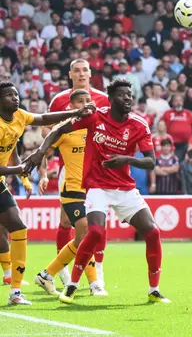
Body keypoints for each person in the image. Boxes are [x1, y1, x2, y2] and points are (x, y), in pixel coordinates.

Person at [26, 80, 170, 304]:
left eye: (130, 95)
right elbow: (58, 129)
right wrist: (40, 152)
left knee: (152, 232)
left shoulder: (139, 125)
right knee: (93, 232)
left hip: (124, 188)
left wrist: (126, 159)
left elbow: (151, 162)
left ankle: (154, 290)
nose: (128, 99)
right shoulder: (95, 117)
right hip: (96, 187)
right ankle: (72, 286)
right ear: (111, 99)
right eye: (123, 95)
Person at [0, 80, 95, 305]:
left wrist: (76, 112)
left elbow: (44, 119)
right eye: (9, 96)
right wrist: (20, 170)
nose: (15, 98)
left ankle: (15, 292)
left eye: (16, 94)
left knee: (18, 227)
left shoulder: (20, 116)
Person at [34, 90, 108, 297]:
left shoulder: (96, 126)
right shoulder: (64, 129)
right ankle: (95, 284)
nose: (86, 104)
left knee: (87, 235)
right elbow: (43, 150)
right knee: (85, 231)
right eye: (80, 102)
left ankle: (46, 275)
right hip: (72, 188)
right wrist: (43, 174)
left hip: (92, 188)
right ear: (71, 107)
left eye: (88, 101)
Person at [45, 58, 110, 288]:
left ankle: (97, 271)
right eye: (77, 71)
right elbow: (47, 129)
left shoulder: (103, 98)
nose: (81, 74)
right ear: (70, 74)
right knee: (66, 221)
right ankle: (61, 269)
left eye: (85, 70)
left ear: (90, 73)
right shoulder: (60, 100)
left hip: (97, 171)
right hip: (69, 168)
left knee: (96, 220)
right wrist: (45, 170)